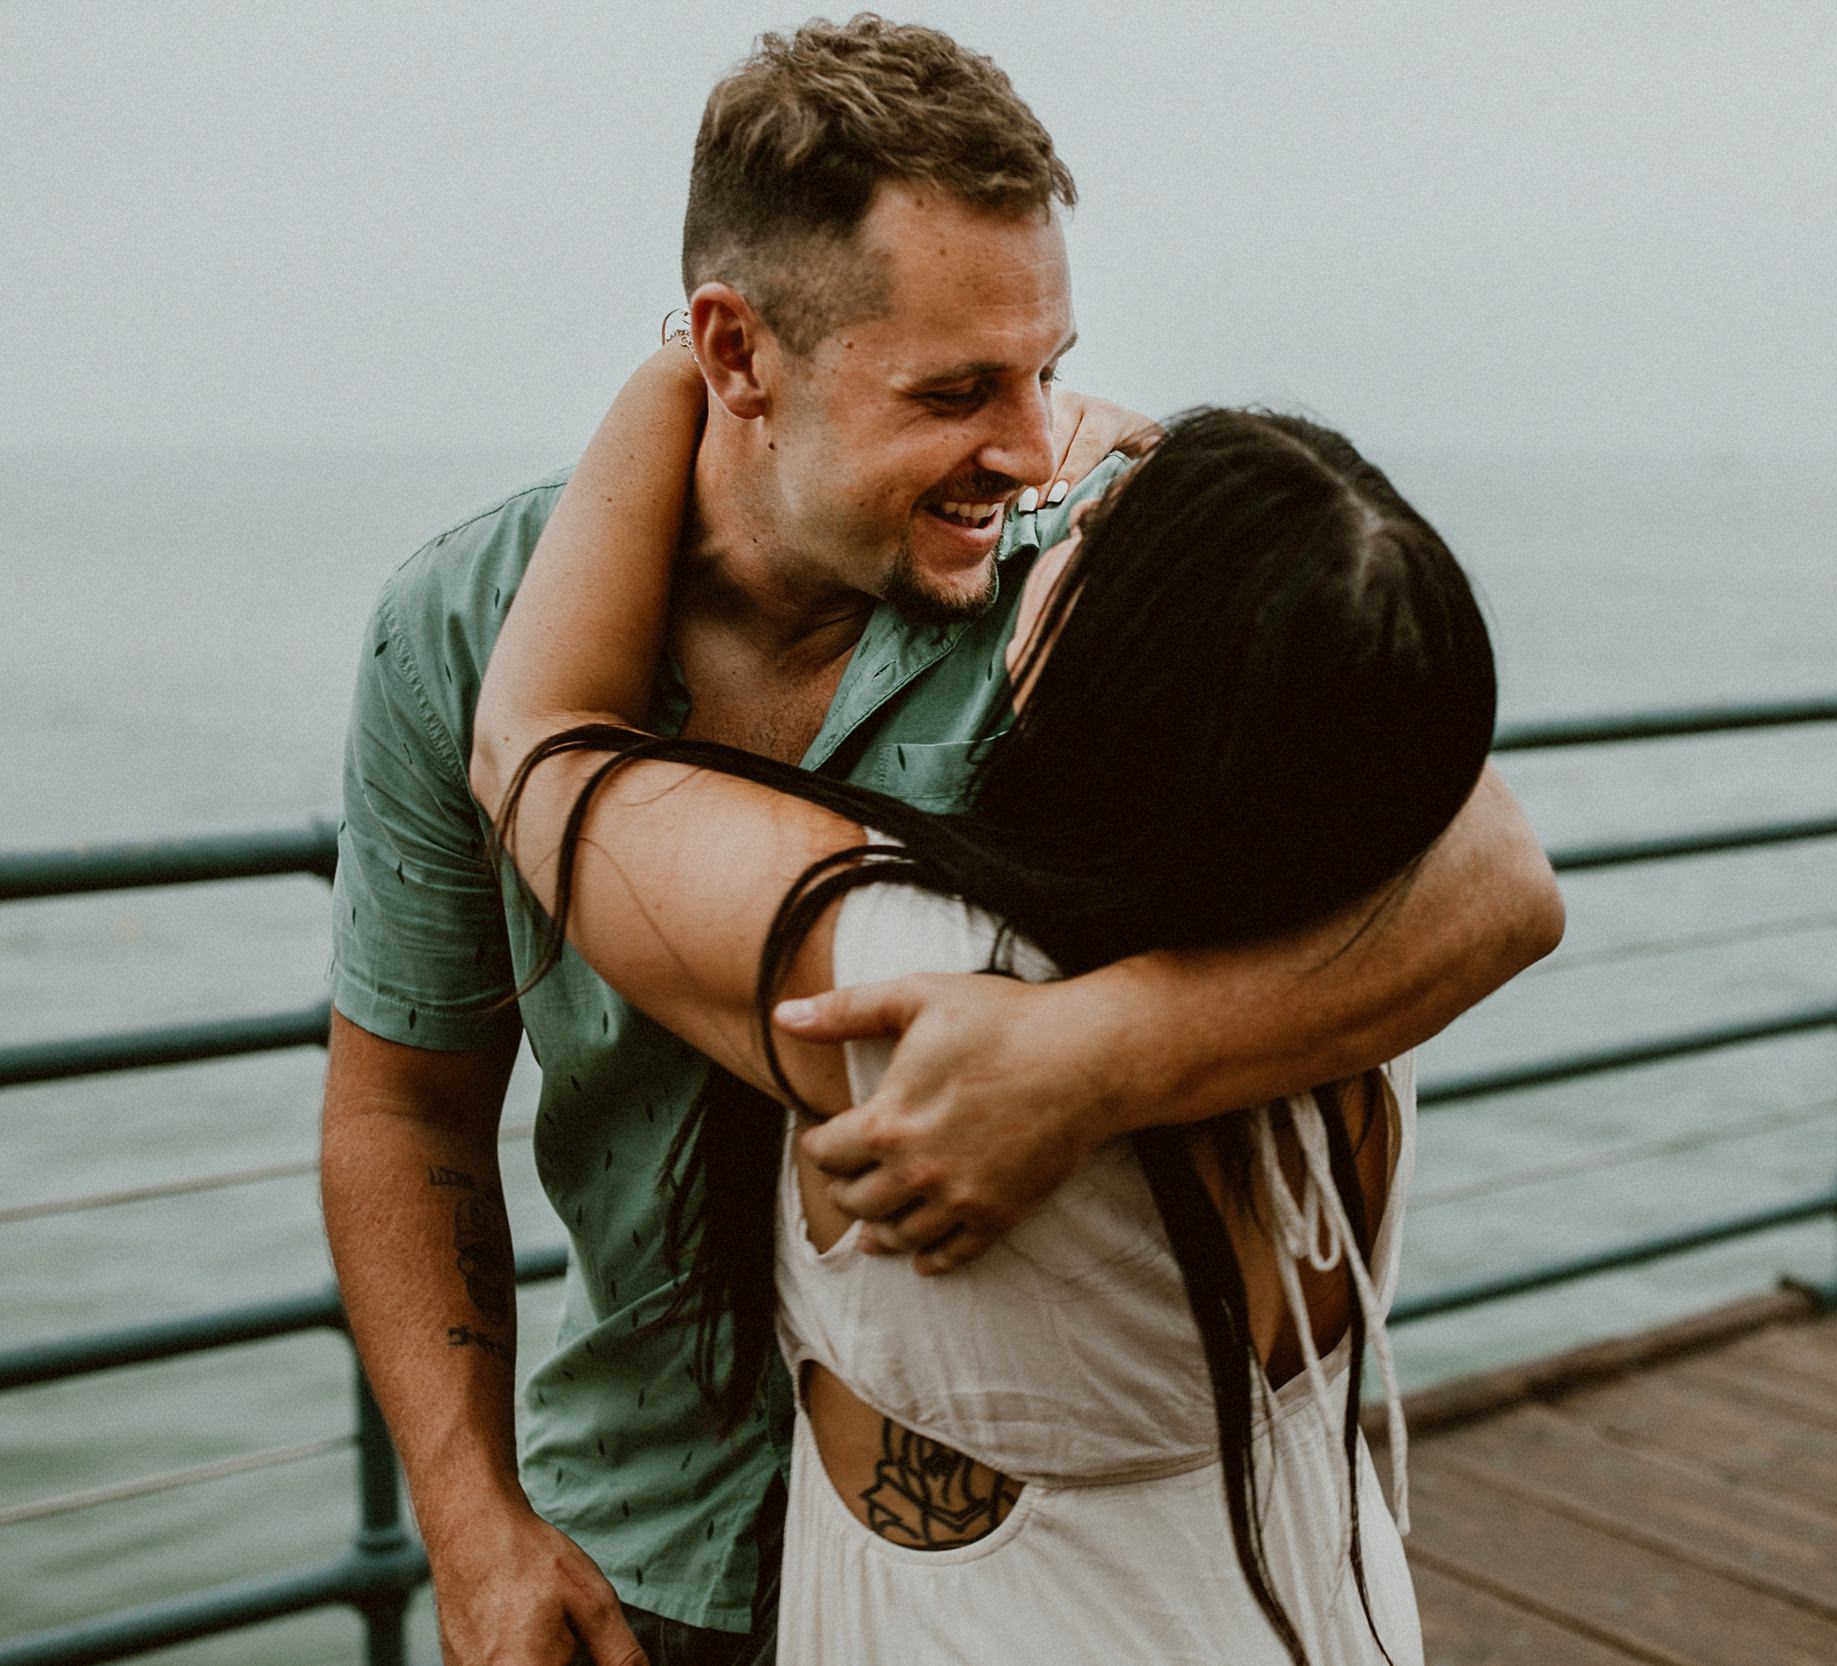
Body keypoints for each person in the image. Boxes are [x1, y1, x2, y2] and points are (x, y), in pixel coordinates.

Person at [320, 17, 1562, 1666]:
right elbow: (402, 1099)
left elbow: (1489, 866)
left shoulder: (1102, 586)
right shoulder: (456, 623)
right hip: (633, 1545)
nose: (1039, 444)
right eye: (960, 388)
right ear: (737, 354)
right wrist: (471, 1527)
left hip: (983, 1568)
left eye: (1049, 366)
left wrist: (1090, 1054)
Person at [469, 348, 1496, 1662]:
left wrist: (690, 373)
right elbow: (1480, 828)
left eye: (1092, 532)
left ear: (1083, 645)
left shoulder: (913, 977)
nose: (1050, 518)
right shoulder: (1367, 928)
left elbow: (539, 743)